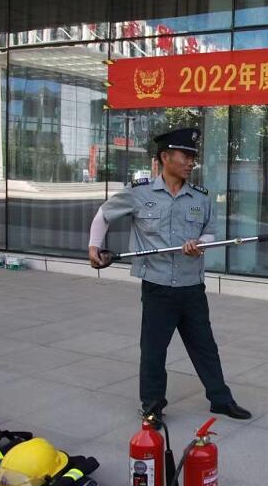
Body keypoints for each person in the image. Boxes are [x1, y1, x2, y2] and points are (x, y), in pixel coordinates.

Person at [87, 127, 251, 425]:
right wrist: (93, 246)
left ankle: (221, 400)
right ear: (165, 157)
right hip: (157, 287)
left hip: (191, 286)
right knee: (153, 351)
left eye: (193, 157)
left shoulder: (200, 197)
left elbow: (210, 232)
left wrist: (200, 244)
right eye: (185, 156)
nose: (191, 162)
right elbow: (103, 215)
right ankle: (152, 406)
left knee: (205, 347)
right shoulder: (139, 193)